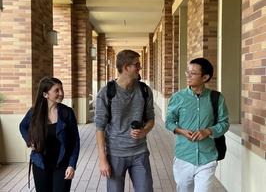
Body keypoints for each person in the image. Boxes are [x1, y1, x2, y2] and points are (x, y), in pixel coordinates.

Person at [165, 58, 229, 192]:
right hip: (184, 157)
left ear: (205, 77)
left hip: (208, 157)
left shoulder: (217, 98)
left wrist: (208, 131)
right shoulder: (178, 97)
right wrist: (181, 131)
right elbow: (169, 122)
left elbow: (224, 123)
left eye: (193, 73)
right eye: (187, 72)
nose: (188, 75)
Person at [95, 49, 155, 192]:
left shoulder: (144, 91)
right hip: (115, 154)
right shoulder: (106, 93)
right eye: (137, 64)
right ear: (126, 67)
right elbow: (100, 128)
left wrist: (144, 131)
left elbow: (151, 119)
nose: (140, 67)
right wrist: (103, 160)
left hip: (140, 153)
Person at [19, 77, 80, 192]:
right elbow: (22, 126)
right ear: (45, 94)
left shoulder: (67, 113)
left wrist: (72, 164)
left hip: (62, 164)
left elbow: (75, 141)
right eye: (57, 90)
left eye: (62, 89)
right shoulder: (34, 112)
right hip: (40, 164)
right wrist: (29, 141)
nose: (61, 93)